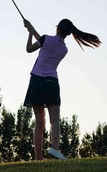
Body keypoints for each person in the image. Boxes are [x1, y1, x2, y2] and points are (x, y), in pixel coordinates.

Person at [23, 18, 101, 160]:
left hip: (37, 81)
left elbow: (30, 49)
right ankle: (55, 149)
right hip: (52, 82)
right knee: (55, 121)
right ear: (68, 33)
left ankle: (38, 158)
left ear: (57, 28)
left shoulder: (46, 39)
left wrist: (29, 32)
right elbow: (46, 43)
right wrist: (32, 29)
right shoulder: (64, 49)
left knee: (40, 121)